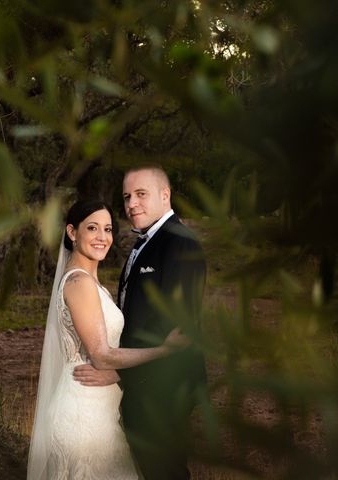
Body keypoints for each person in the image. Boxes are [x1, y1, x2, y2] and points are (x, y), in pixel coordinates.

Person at [27, 199, 188, 480]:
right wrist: (164, 350)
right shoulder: (80, 284)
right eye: (92, 228)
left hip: (99, 411)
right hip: (83, 417)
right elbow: (101, 355)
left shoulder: (92, 283)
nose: (102, 237)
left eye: (108, 229)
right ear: (72, 232)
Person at [74, 166, 207, 480]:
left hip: (165, 384)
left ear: (165, 195)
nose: (131, 203)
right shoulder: (143, 242)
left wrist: (118, 371)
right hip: (147, 383)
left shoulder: (180, 242)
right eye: (127, 197)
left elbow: (175, 324)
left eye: (141, 194)